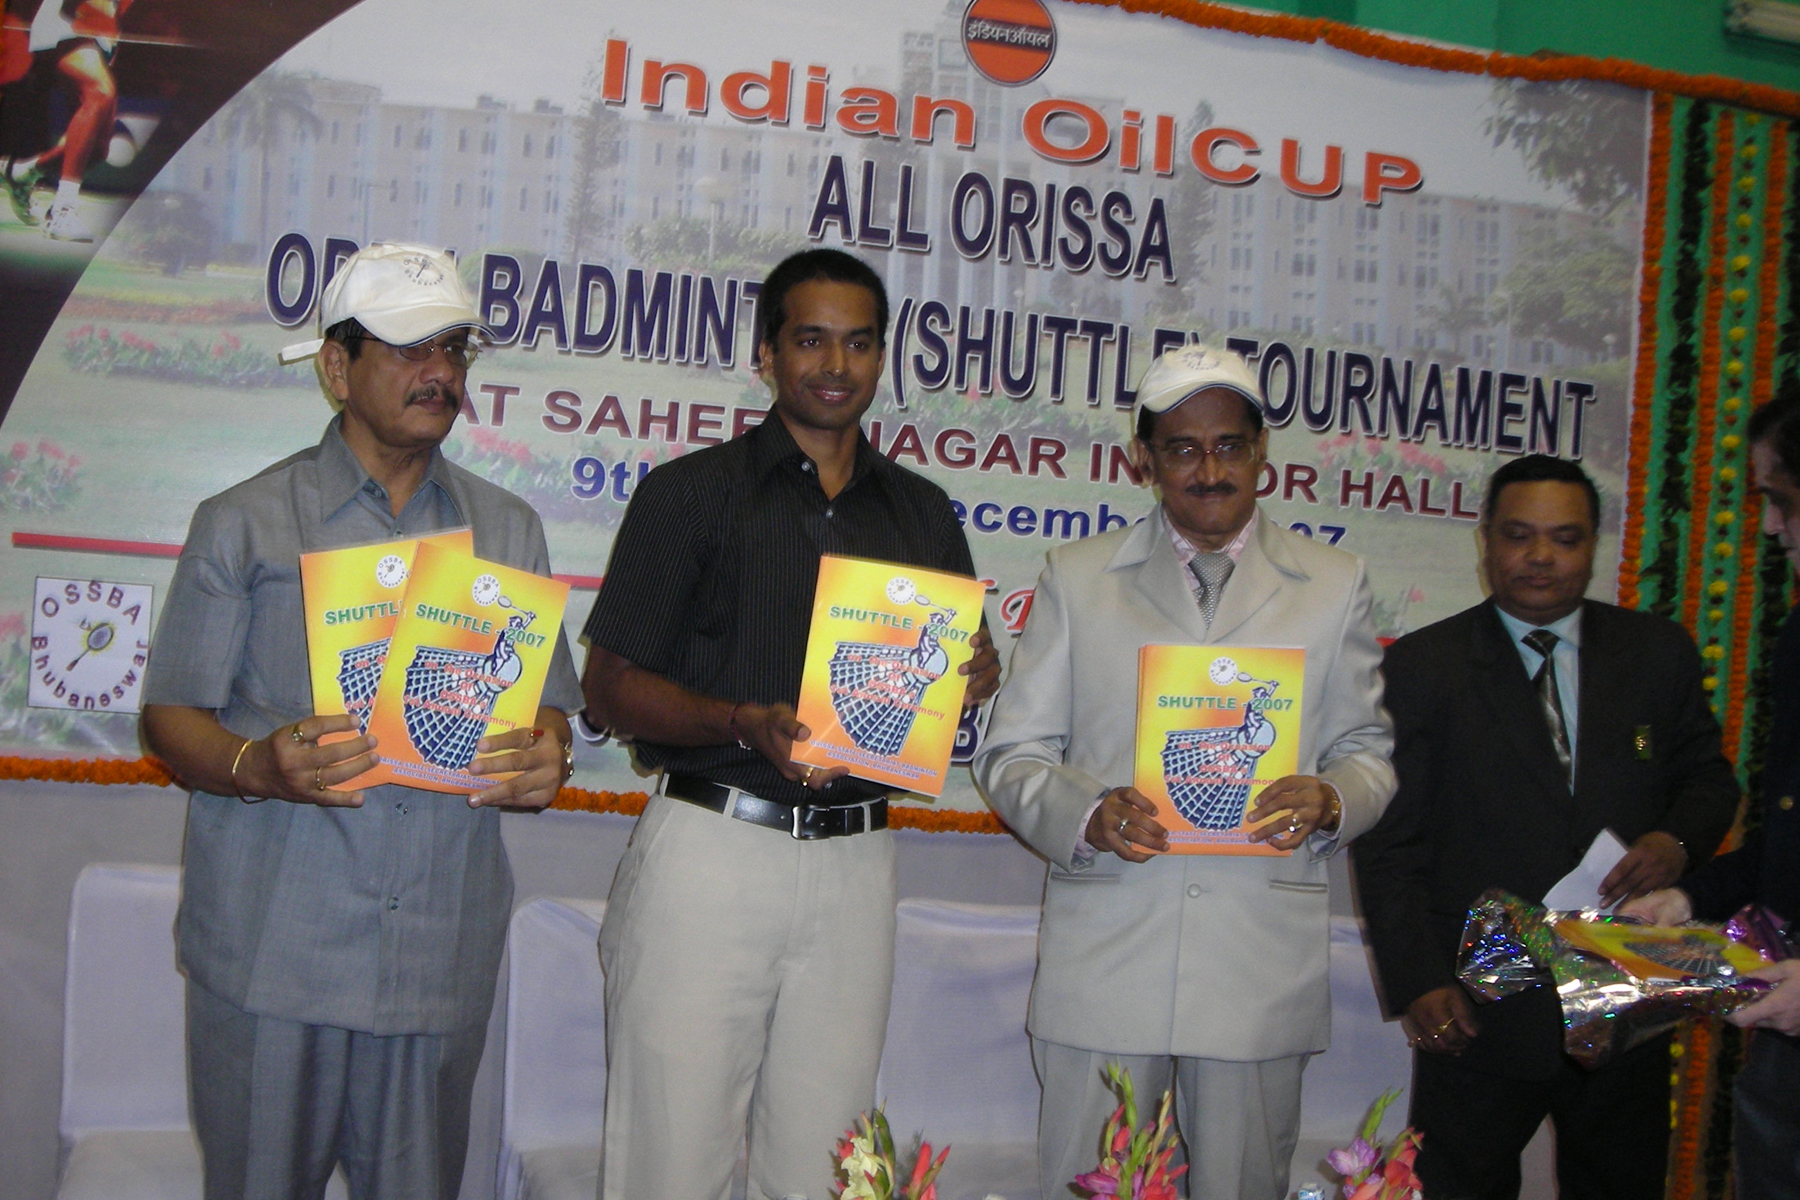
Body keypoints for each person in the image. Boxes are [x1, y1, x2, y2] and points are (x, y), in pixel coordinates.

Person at [141, 241, 582, 1200]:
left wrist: (548, 752)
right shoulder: (245, 522)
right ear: (337, 368)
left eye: (454, 348)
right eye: (410, 347)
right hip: (273, 954)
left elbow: (547, 704)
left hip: (434, 956)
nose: (440, 372)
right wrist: (258, 765)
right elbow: (170, 715)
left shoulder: (507, 529)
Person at [580, 247, 1001, 1200]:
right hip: (713, 849)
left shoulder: (922, 514)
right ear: (766, 353)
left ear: (882, 356)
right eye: (811, 340)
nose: (836, 365)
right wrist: (742, 721)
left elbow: (936, 681)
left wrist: (972, 673)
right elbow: (608, 690)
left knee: (829, 1165)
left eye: (859, 343)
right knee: (668, 1161)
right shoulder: (690, 493)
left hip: (858, 862)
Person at [972, 343, 1396, 1200]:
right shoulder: (1077, 579)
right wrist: (1087, 813)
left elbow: (1369, 755)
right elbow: (1011, 755)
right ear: (1145, 459)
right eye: (1182, 449)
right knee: (1088, 1186)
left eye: (1229, 445)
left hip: (1256, 963)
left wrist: (1330, 799)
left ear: (1261, 451)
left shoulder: (1334, 584)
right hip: (1109, 954)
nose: (1209, 470)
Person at [1353, 454, 1740, 1200]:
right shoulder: (1426, 665)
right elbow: (1390, 840)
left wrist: (1676, 843)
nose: (1540, 556)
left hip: (1622, 986)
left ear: (1592, 544)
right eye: (1518, 535)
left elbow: (1708, 780)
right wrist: (1420, 980)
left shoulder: (1656, 653)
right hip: (1479, 1000)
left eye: (1564, 538)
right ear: (1485, 541)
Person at [1624, 393, 1800, 1200]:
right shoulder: (1797, 641)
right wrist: (1688, 898)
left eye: (1783, 501)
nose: (1772, 527)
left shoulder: (1654, 655)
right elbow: (1783, 843)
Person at [0, 0, 135, 240]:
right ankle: (62, 211)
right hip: (64, 23)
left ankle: (21, 172)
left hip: (102, 33)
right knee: (100, 92)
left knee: (96, 152)